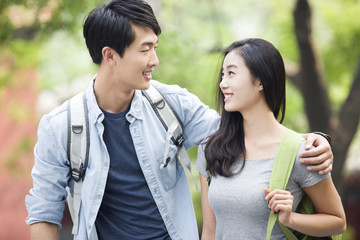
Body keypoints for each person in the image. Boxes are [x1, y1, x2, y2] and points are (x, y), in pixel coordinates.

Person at [25, 1, 334, 239]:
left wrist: (311, 140)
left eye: (155, 48)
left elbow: (240, 134)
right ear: (110, 55)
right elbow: (44, 213)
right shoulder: (60, 127)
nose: (154, 60)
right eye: (145, 49)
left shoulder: (172, 104)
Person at [196, 38, 346, 240]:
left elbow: (337, 221)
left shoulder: (301, 153)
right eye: (223, 75)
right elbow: (209, 231)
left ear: (260, 81)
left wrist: (290, 219)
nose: (223, 83)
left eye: (231, 73)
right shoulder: (211, 149)